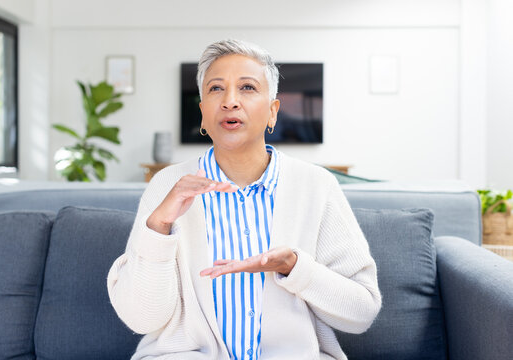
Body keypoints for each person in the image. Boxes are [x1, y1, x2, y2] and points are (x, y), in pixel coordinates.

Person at [107, 39, 382, 360]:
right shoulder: (167, 184)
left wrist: (293, 267)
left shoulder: (317, 185)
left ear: (272, 111)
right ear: (203, 115)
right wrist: (158, 227)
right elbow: (143, 319)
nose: (230, 101)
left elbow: (361, 313)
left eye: (248, 88)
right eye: (215, 89)